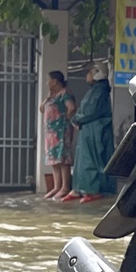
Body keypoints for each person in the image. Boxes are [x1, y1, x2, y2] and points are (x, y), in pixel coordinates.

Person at [67, 60, 116, 201]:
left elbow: (90, 110)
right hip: (88, 129)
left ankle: (92, 190)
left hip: (95, 130)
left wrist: (76, 119)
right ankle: (79, 189)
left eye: (89, 72)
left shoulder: (100, 90)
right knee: (82, 159)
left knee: (91, 160)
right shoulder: (95, 89)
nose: (87, 75)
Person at [41, 70, 76, 199]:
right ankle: (57, 186)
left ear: (55, 81)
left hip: (60, 132)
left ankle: (65, 187)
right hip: (51, 133)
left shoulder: (65, 94)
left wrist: (65, 120)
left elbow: (71, 107)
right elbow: (42, 108)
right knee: (54, 160)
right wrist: (48, 97)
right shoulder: (53, 96)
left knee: (63, 159)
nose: (47, 82)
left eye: (48, 80)